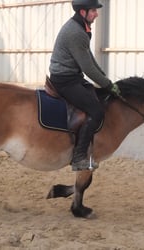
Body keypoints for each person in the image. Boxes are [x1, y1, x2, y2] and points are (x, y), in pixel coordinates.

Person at [49, 0, 121, 171]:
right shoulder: (76, 32)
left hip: (73, 76)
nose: (96, 13)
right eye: (93, 11)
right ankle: (79, 157)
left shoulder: (81, 27)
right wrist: (108, 84)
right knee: (96, 111)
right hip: (64, 79)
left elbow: (90, 60)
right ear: (83, 12)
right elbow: (87, 68)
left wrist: (105, 80)